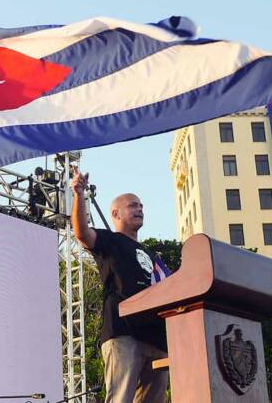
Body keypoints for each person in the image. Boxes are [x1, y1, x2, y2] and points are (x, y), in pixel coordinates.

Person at [71, 167, 168, 403]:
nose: (140, 209)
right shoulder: (110, 241)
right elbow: (81, 233)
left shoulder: (153, 256)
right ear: (115, 213)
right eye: (133, 205)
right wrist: (79, 194)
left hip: (156, 338)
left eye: (142, 206)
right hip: (124, 333)